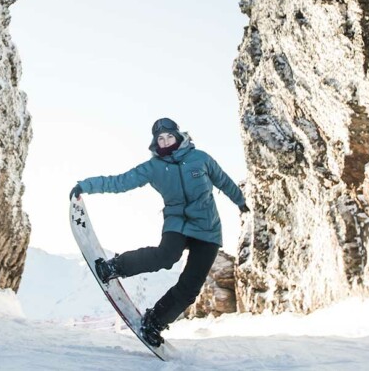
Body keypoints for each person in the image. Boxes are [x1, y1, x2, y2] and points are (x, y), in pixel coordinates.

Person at [69, 117, 250, 347]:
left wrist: (240, 201)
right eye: (160, 139)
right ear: (156, 142)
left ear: (178, 136)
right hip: (177, 223)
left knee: (190, 288)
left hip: (208, 231)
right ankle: (114, 267)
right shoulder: (153, 167)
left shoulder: (200, 159)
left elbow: (223, 181)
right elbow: (121, 182)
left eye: (169, 136)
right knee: (166, 256)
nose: (165, 142)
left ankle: (154, 321)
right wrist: (86, 185)